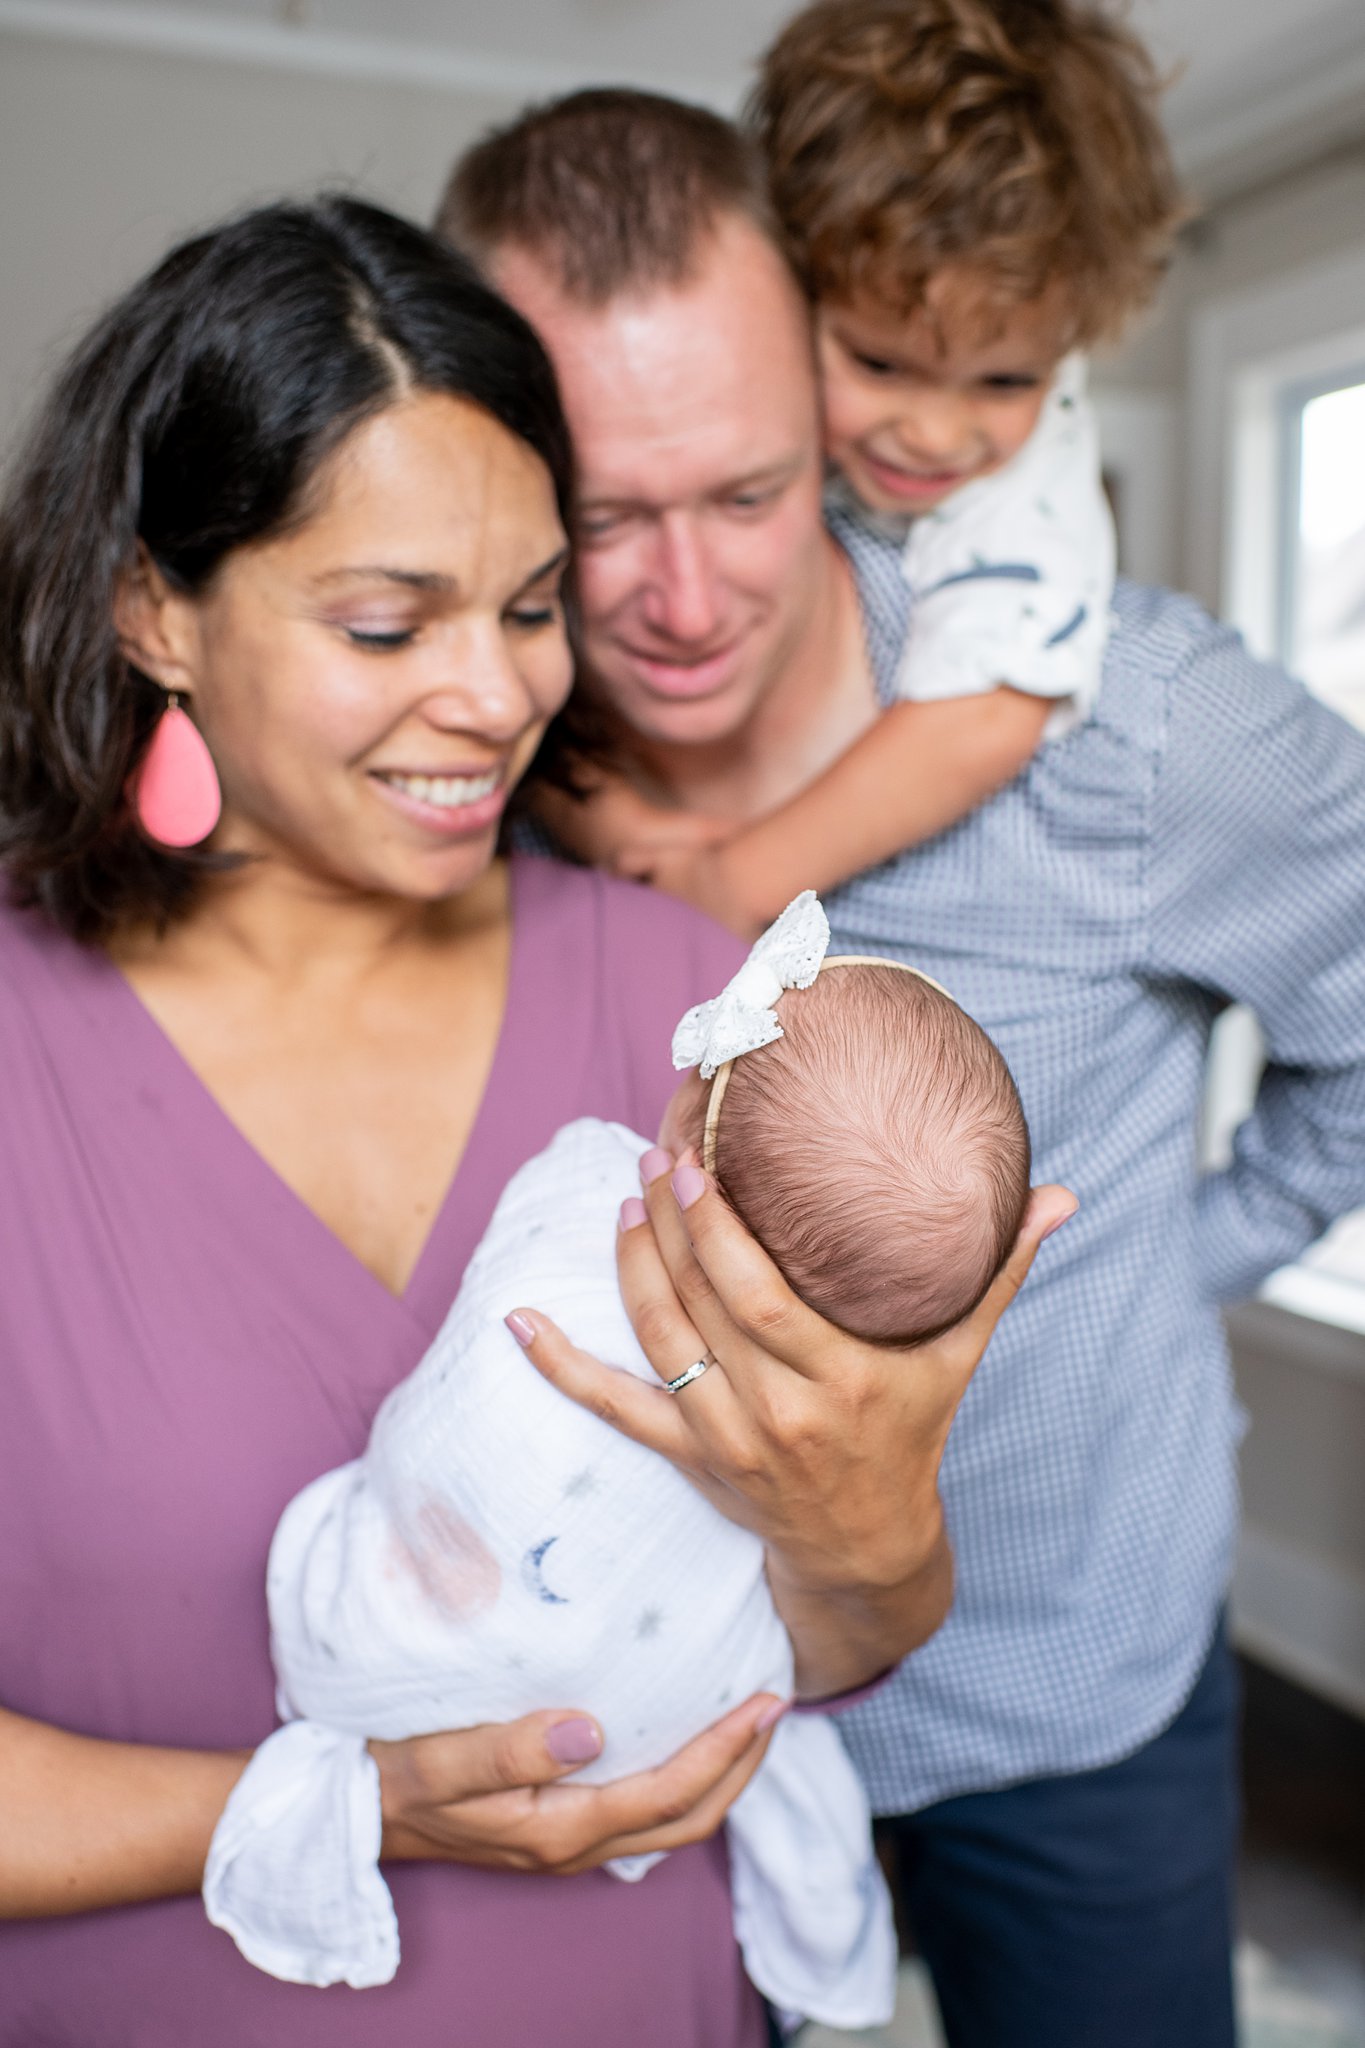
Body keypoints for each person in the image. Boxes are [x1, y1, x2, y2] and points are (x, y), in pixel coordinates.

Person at [0, 196, 1065, 2048]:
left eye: (528, 604)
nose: (495, 694)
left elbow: (802, 1633)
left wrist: (873, 1522)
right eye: (386, 618)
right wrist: (327, 1810)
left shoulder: (710, 1014)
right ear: (153, 607)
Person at [437, 50, 1365, 2048]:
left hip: (1066, 1690)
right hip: (661, 1688)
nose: (677, 588)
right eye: (606, 513)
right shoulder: (488, 749)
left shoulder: (1144, 737)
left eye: (743, 494)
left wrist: (1162, 1260)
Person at [202, 891, 1028, 2023]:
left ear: (687, 1137)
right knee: (739, 1649)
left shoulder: (589, 1178)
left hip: (356, 1648)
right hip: (654, 1738)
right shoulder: (826, 1390)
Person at [468, 0, 1181, 938]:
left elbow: (987, 714)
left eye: (1005, 379)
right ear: (799, 289)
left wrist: (735, 878)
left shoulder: (1031, 515)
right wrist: (621, 828)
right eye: (879, 364)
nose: (934, 434)